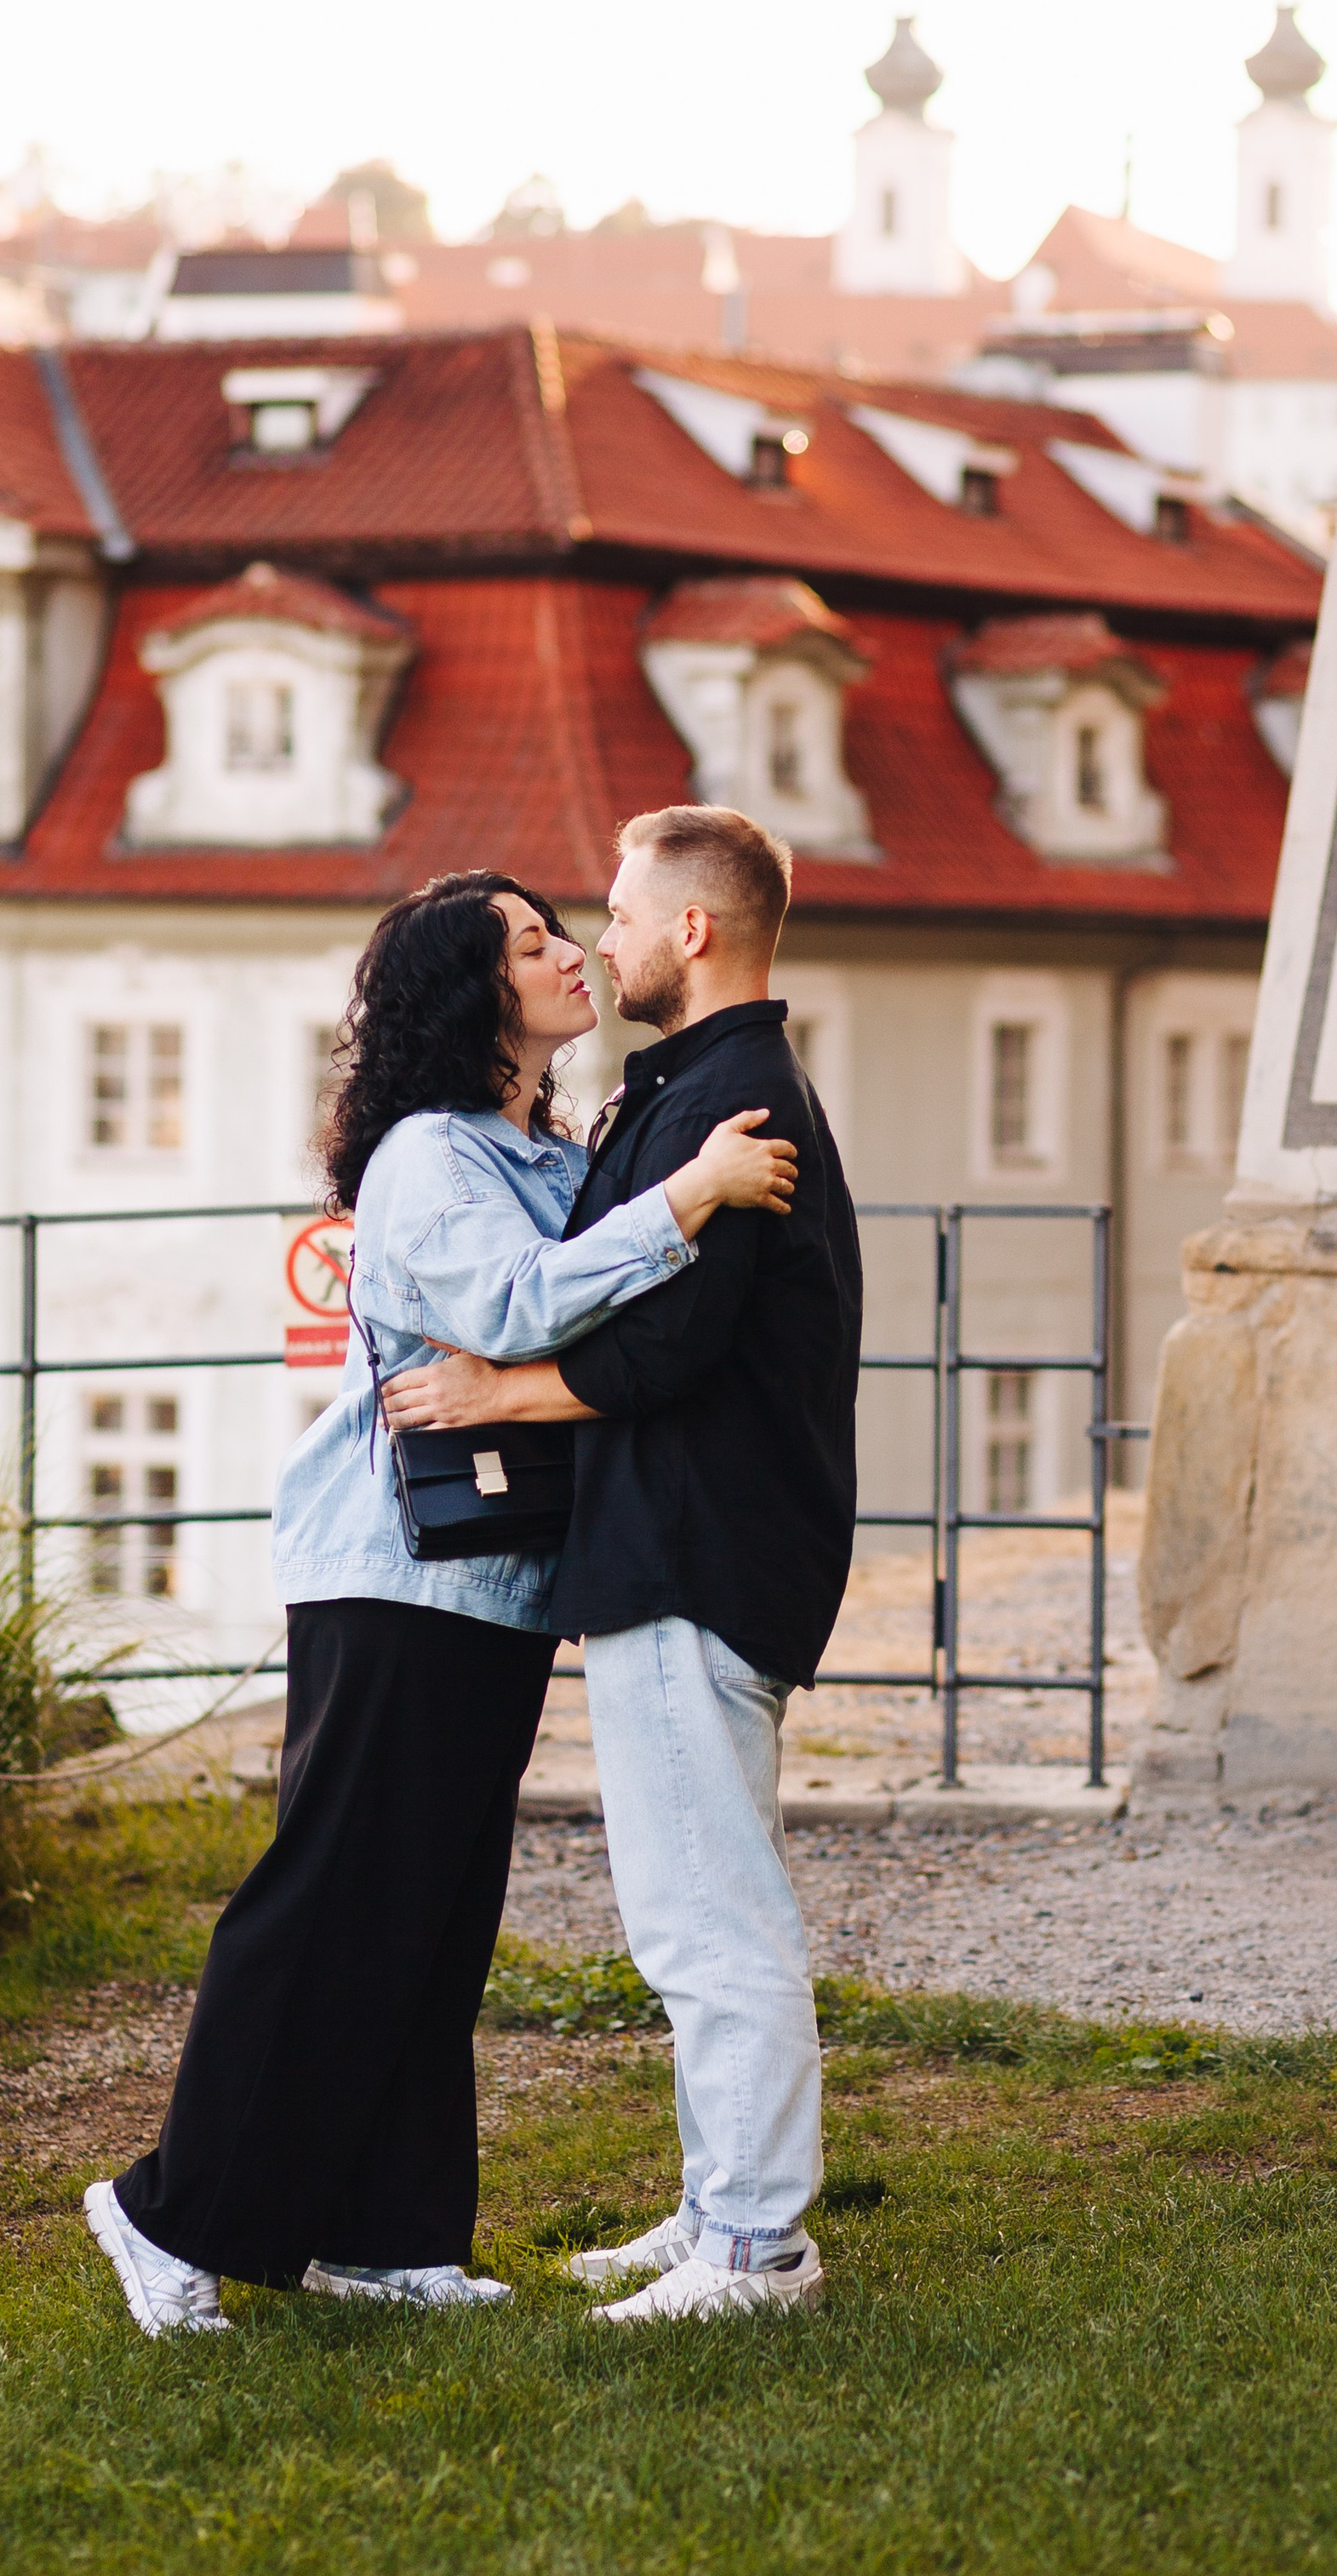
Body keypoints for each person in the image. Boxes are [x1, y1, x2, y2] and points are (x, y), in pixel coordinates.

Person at [83, 865, 797, 2336]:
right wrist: (692, 1192)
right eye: (535, 944)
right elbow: (516, 1308)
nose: (570, 954)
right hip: (391, 1578)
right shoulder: (428, 1157)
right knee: (330, 1900)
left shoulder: (531, 1142)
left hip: (496, 1591)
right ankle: (167, 2214)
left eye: (561, 931)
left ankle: (386, 2230)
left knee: (436, 1913)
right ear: (474, 998)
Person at [386, 805, 861, 2322]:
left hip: (697, 1550)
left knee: (710, 1916)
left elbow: (663, 1343)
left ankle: (756, 2250)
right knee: (690, 1906)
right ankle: (717, 2205)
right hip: (687, 1542)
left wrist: (499, 1392)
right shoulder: (702, 1090)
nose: (603, 939)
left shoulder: (735, 1100)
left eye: (619, 912)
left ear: (695, 932)